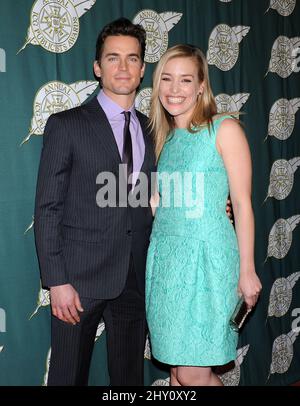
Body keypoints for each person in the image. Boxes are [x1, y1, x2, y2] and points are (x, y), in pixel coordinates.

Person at [34, 18, 156, 386]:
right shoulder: (67, 124)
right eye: (113, 58)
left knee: (128, 379)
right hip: (79, 280)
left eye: (132, 59)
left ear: (142, 69)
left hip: (134, 276)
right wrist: (57, 281)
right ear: (97, 67)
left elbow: (158, 195)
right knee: (68, 378)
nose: (123, 67)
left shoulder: (153, 129)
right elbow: (47, 208)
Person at [145, 44, 262, 386]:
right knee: (177, 374)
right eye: (166, 79)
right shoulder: (166, 141)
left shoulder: (224, 129)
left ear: (201, 86)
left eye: (185, 80)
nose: (174, 89)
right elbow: (166, 204)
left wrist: (247, 270)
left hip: (208, 262)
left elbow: (241, 204)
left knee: (193, 374)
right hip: (166, 266)